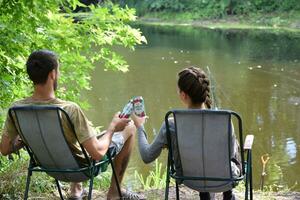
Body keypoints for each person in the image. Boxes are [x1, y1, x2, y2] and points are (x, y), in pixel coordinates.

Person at [0, 50, 144, 200]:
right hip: (79, 169)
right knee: (130, 127)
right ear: (53, 74)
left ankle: (76, 190)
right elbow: (97, 153)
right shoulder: (68, 109)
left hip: (48, 168)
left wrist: (29, 136)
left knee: (79, 135)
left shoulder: (16, 109)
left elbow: (4, 149)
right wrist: (113, 127)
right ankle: (114, 192)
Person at [132, 66, 241, 200]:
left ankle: (206, 195)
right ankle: (228, 195)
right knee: (234, 146)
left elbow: (147, 156)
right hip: (224, 177)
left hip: (189, 177)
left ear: (184, 95)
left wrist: (140, 126)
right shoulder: (225, 121)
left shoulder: (172, 124)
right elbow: (229, 155)